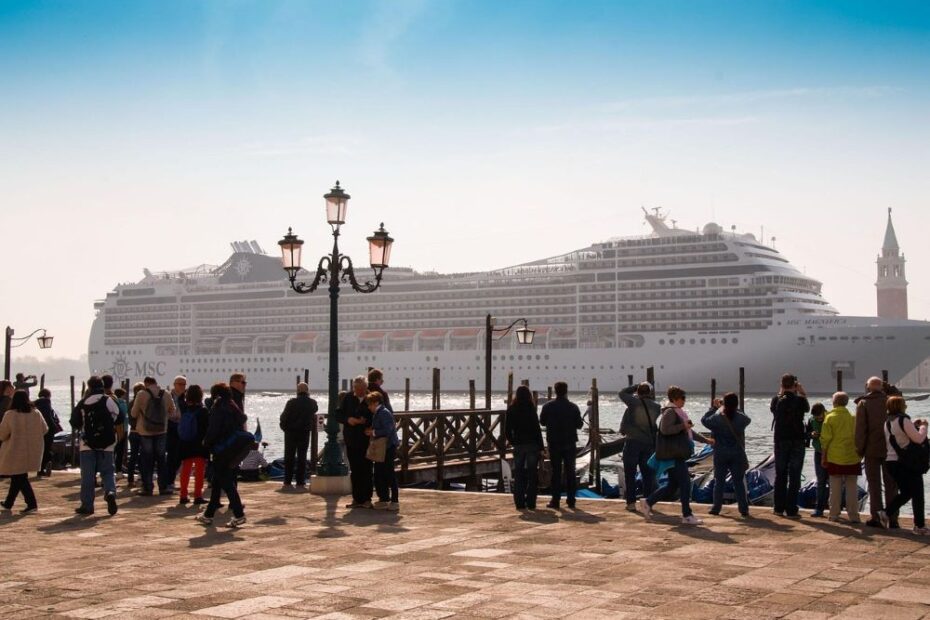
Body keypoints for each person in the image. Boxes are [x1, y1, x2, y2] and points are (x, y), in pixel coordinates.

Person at [641, 386, 712, 525]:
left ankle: (648, 502)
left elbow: (689, 432)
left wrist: (705, 440)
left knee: (673, 485)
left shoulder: (678, 413)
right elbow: (665, 430)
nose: (684, 401)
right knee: (685, 483)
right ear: (674, 399)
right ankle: (687, 515)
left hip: (676, 454)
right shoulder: (670, 412)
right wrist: (682, 426)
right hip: (674, 454)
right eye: (682, 398)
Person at [70, 376, 123, 516]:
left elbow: (74, 422)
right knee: (108, 472)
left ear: (89, 386)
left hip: (87, 444)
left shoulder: (83, 402)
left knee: (87, 476)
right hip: (107, 444)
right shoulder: (109, 400)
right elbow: (120, 418)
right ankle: (110, 492)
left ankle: (87, 505)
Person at [197, 382, 247, 527]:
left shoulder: (218, 407)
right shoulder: (232, 405)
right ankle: (208, 515)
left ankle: (239, 514)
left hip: (220, 448)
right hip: (232, 447)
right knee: (218, 481)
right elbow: (243, 419)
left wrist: (206, 442)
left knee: (226, 482)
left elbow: (213, 429)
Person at [881, 396, 929, 535]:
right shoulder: (903, 420)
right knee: (917, 493)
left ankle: (885, 513)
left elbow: (899, 436)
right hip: (907, 463)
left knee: (907, 492)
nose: (906, 406)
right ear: (901, 406)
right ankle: (919, 526)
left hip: (891, 462)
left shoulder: (888, 422)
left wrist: (913, 425)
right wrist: (924, 426)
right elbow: (919, 439)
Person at [855, 376, 897, 528]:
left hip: (871, 450)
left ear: (868, 387)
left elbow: (861, 429)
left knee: (874, 485)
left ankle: (877, 517)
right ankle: (893, 518)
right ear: (881, 387)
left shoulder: (863, 403)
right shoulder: (890, 401)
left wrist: (859, 449)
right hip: (891, 450)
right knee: (891, 485)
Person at [702, 392, 750, 517]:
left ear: (724, 403)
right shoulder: (740, 418)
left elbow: (704, 420)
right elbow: (747, 419)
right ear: (736, 404)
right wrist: (735, 409)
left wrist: (714, 408)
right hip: (736, 453)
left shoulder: (717, 417)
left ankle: (716, 508)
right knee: (738, 482)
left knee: (719, 481)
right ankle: (743, 509)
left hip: (720, 452)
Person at [130, 376, 178, 496]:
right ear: (156, 383)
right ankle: (163, 487)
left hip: (145, 432)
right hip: (161, 431)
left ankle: (148, 487)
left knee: (147, 460)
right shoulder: (166, 394)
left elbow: (133, 413)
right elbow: (173, 412)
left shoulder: (141, 394)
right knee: (161, 459)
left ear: (146, 383)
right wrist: (163, 417)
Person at [0, 390, 47, 513]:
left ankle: (31, 504)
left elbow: (2, 434)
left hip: (15, 450)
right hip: (32, 450)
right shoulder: (36, 413)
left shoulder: (10, 414)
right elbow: (45, 429)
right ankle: (8, 503)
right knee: (18, 476)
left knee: (19, 476)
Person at [770, 373, 810, 517]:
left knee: (780, 475)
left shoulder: (776, 400)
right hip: (797, 440)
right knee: (795, 475)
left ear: (781, 385)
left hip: (780, 440)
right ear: (795, 385)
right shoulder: (800, 400)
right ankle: (791, 509)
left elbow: (773, 409)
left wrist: (781, 392)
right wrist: (802, 392)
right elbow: (807, 409)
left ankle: (778, 508)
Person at [540, 381, 584, 510]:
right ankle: (571, 500)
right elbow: (579, 425)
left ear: (555, 391)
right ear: (566, 391)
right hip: (569, 443)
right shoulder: (573, 407)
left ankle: (555, 500)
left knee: (556, 472)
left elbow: (542, 422)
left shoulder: (548, 406)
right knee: (570, 472)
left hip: (554, 443)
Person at [820, 392, 861, 523]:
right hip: (852, 456)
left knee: (835, 487)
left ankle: (834, 514)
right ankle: (854, 515)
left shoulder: (830, 418)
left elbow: (825, 439)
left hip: (835, 457)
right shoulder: (853, 418)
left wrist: (823, 456)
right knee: (852, 487)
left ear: (834, 402)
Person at [619, 382, 660, 510]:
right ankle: (647, 503)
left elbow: (622, 393)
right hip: (648, 443)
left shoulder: (633, 403)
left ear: (638, 392)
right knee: (647, 475)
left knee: (630, 473)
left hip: (633, 442)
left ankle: (631, 503)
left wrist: (635, 386)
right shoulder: (657, 407)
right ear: (650, 393)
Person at [506, 385, 544, 511]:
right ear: (529, 395)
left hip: (519, 445)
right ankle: (531, 502)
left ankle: (519, 503)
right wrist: (541, 447)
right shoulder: (531, 408)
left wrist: (513, 442)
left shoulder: (511, 409)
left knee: (519, 474)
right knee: (532, 474)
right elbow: (537, 429)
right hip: (532, 445)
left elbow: (507, 430)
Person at [339, 376, 373, 508]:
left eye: (360, 389)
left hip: (366, 440)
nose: (358, 391)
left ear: (365, 388)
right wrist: (348, 420)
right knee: (355, 469)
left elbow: (378, 415)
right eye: (356, 388)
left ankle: (367, 499)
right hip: (351, 439)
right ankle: (357, 498)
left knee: (367, 469)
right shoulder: (348, 398)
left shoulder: (371, 398)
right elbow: (339, 414)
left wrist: (368, 424)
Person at [279, 382, 318, 489]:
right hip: (304, 432)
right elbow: (315, 409)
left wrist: (284, 428)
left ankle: (287, 481)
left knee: (289, 457)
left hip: (290, 432)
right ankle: (300, 481)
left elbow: (283, 417)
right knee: (302, 457)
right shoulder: (312, 403)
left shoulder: (291, 403)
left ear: (297, 391)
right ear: (307, 391)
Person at [177, 384, 210, 505]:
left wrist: (184, 392)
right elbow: (207, 428)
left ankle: (183, 495)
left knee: (185, 470)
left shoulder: (184, 408)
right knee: (199, 471)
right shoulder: (203, 411)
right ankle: (197, 495)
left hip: (185, 442)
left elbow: (180, 399)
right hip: (199, 444)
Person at [367, 391, 399, 510]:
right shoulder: (379, 412)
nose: (369, 407)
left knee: (389, 472)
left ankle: (394, 501)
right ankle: (384, 498)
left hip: (388, 446)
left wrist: (373, 432)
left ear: (376, 403)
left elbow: (388, 430)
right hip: (383, 447)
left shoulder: (384, 413)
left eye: (370, 404)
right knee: (379, 472)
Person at [165, 375, 188, 493]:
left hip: (182, 427)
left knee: (179, 456)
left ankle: (171, 480)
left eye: (184, 384)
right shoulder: (168, 396)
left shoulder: (186, 397)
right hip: (171, 427)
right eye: (180, 384)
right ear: (174, 384)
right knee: (171, 455)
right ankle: (169, 481)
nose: (182, 386)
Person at [806, 403, 828, 517]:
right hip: (818, 452)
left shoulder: (830, 418)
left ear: (824, 412)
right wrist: (811, 434)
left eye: (820, 417)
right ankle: (819, 508)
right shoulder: (811, 420)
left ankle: (835, 507)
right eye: (816, 418)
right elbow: (807, 433)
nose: (818, 419)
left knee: (833, 481)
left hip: (831, 453)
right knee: (821, 481)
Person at [34, 388, 61, 476]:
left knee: (41, 449)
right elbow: (49, 417)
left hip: (38, 430)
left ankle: (40, 468)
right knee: (47, 449)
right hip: (48, 430)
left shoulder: (35, 404)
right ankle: (43, 467)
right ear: (48, 396)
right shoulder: (46, 403)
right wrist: (54, 427)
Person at [125, 382, 145, 488]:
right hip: (142, 432)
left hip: (132, 432)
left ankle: (130, 479)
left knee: (133, 456)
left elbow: (130, 420)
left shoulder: (131, 403)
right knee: (143, 456)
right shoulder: (143, 402)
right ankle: (141, 477)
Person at [112, 388, 130, 478]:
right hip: (123, 429)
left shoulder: (112, 402)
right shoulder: (123, 404)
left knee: (112, 450)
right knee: (120, 451)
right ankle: (118, 470)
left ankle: (112, 468)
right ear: (122, 395)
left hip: (113, 429)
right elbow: (127, 416)